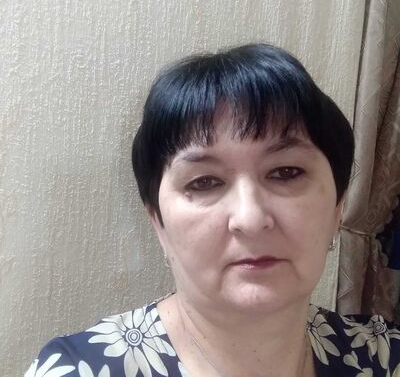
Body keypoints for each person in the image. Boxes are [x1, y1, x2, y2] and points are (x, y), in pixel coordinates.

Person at [26, 43, 400, 377]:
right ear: (158, 223)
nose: (250, 219)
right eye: (204, 182)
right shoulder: (80, 371)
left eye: (286, 172)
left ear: (338, 208)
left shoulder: (385, 358)